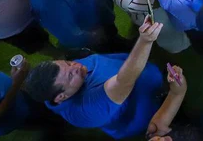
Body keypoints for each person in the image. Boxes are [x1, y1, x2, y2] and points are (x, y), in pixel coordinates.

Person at [23, 18, 185, 139]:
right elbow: (125, 82)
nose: (77, 66)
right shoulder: (88, 110)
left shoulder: (66, 77)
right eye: (71, 75)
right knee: (174, 125)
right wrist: (145, 41)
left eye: (68, 62)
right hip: (149, 112)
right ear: (61, 97)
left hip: (146, 79)